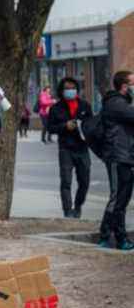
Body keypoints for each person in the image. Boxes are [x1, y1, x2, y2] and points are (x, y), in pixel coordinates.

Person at [48, 77, 93, 219]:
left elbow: (92, 125)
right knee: (66, 181)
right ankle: (68, 211)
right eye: (67, 88)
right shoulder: (56, 108)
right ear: (62, 91)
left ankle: (78, 206)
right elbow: (50, 128)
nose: (70, 91)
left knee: (84, 181)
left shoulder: (85, 106)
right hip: (66, 149)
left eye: (73, 88)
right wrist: (64, 126)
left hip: (82, 148)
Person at [99, 70, 134, 250]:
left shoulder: (122, 103)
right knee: (118, 198)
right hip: (117, 156)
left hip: (125, 156)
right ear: (124, 86)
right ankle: (113, 237)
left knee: (122, 198)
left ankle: (109, 235)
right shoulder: (116, 103)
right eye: (133, 84)